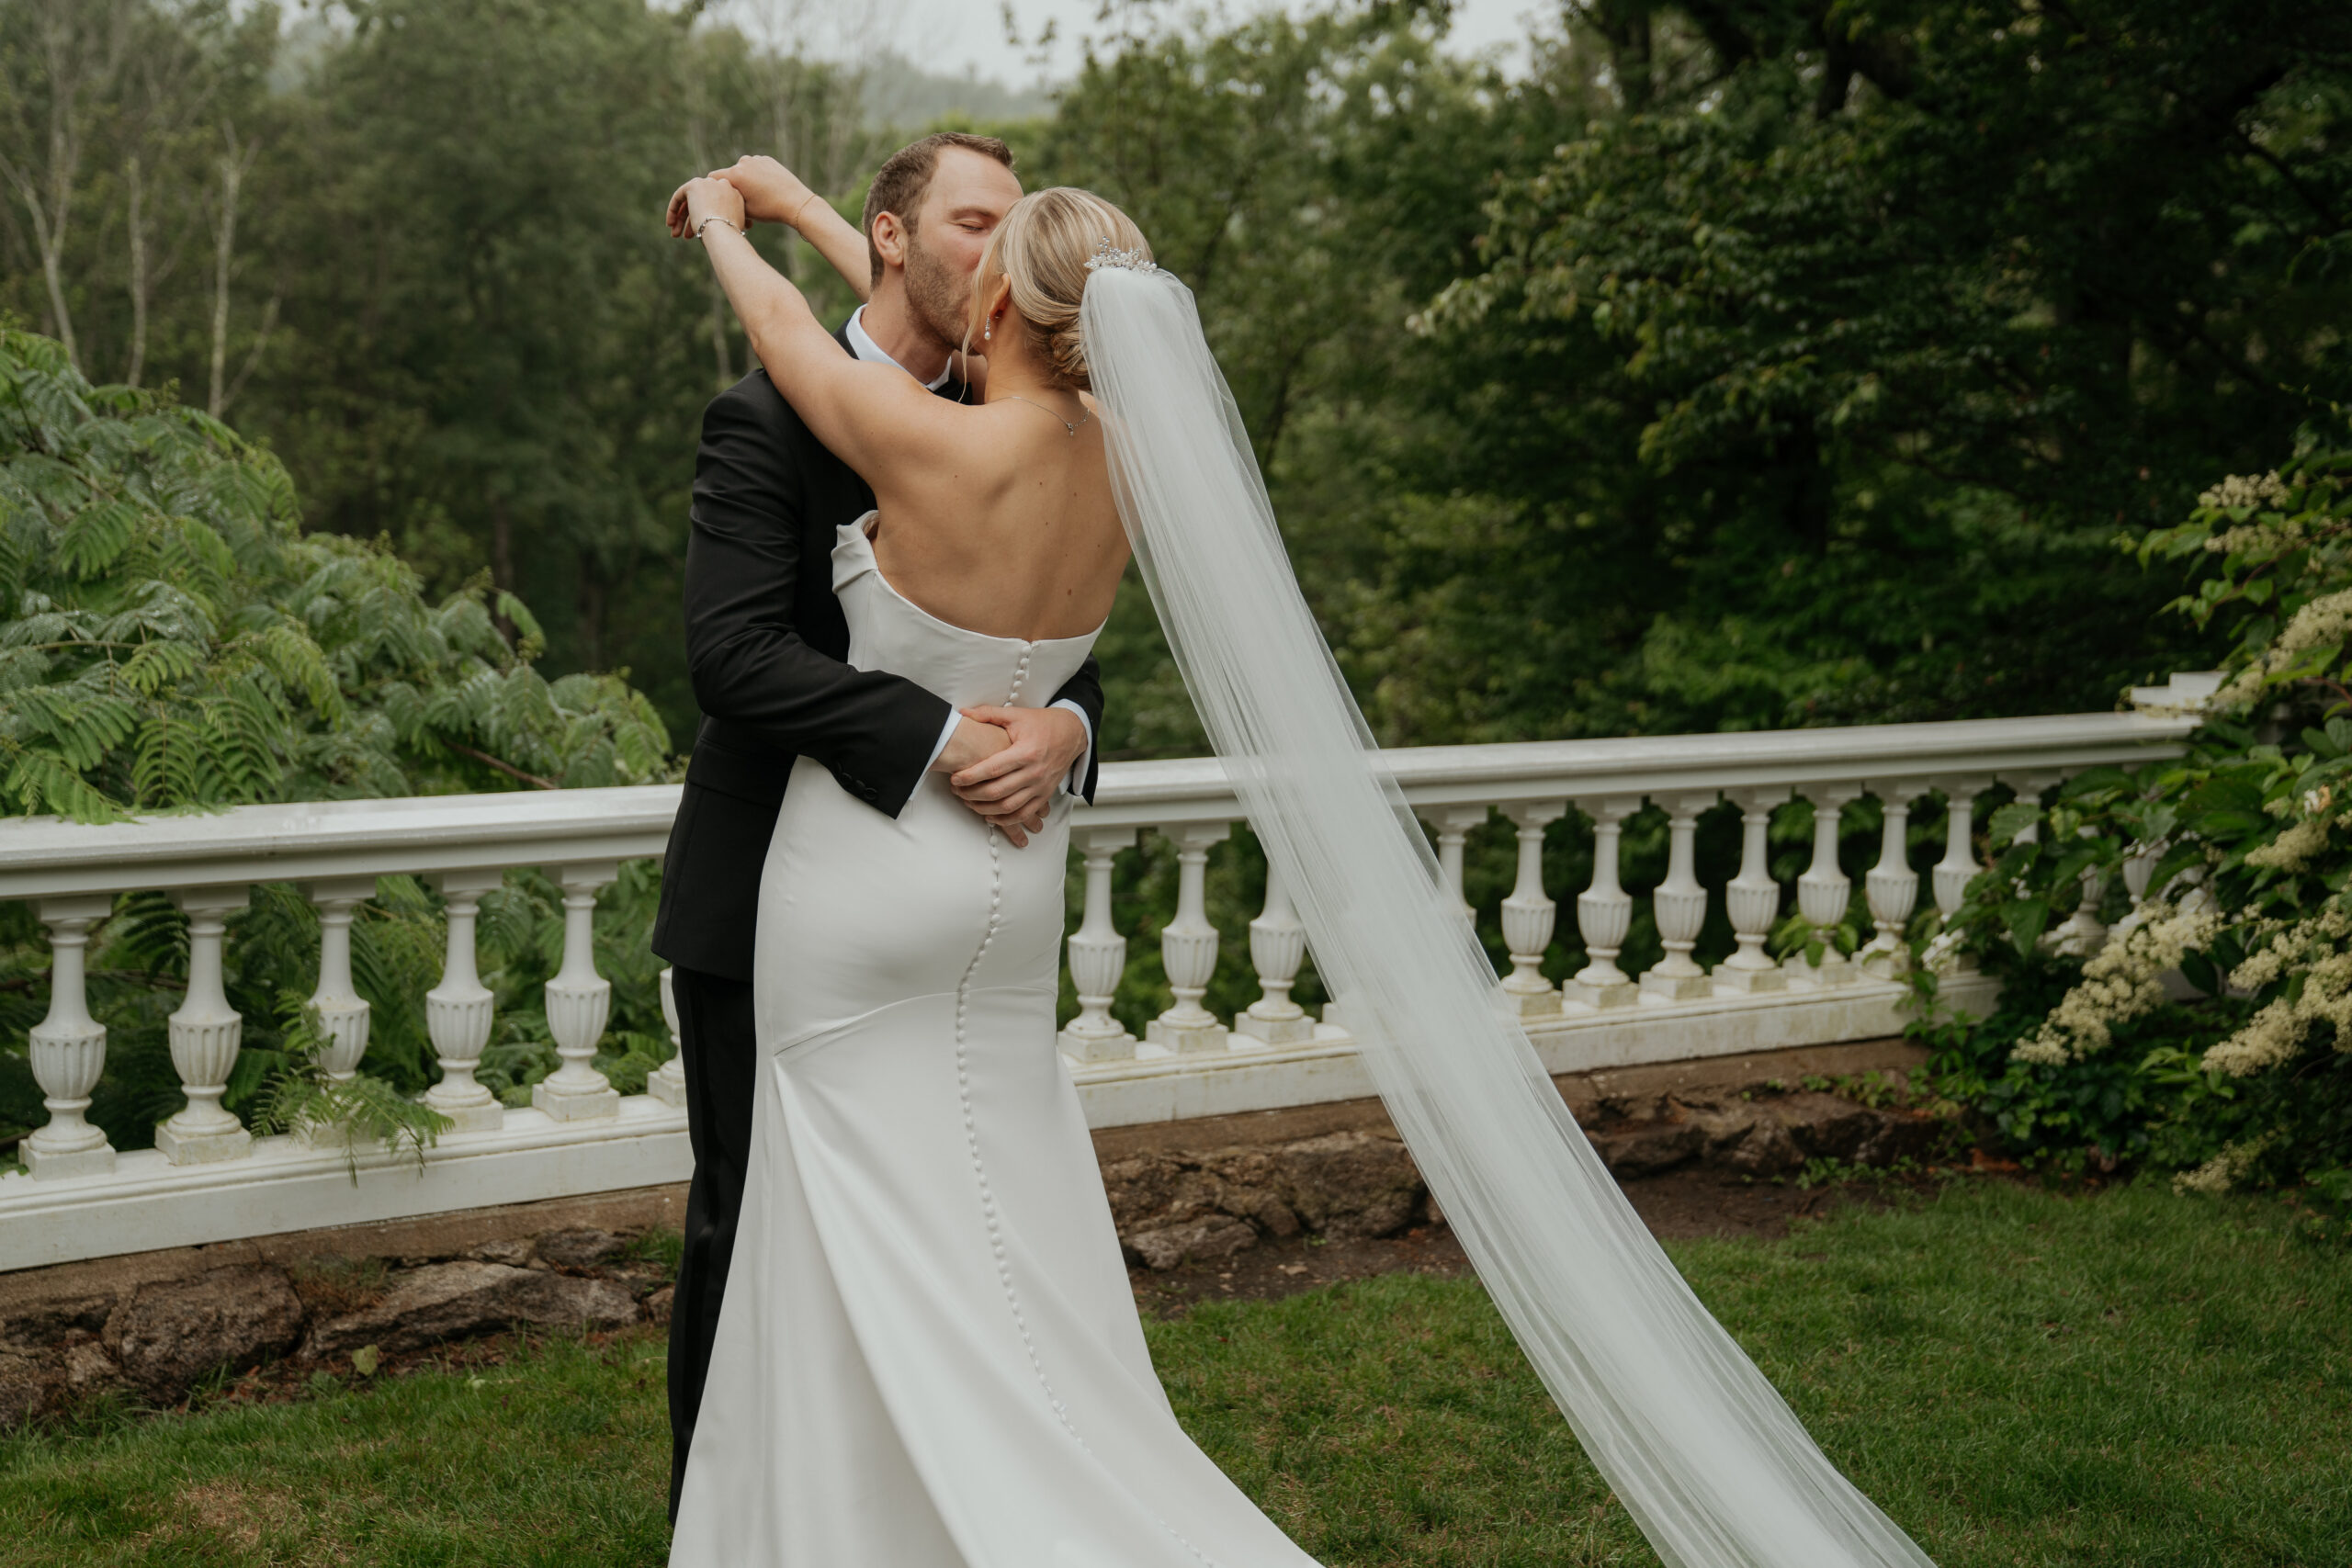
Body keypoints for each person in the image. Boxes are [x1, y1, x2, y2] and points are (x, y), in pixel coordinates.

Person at [664, 152, 1943, 1567]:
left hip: (866, 884)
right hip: (1012, 894)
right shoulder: (1126, 453)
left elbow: (795, 341)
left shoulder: (926, 433)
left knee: (838, 1212)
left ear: (1011, 306)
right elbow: (785, 591)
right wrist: (812, 211)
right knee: (986, 1219)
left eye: (994, 245)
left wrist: (731, 226)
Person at [646, 131, 1102, 1522]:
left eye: (1017, 229)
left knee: (954, 1226)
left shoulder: (1001, 413)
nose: (1000, 246)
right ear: (898, 237)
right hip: (763, 895)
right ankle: (721, 1524)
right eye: (976, 219)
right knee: (748, 1230)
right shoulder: (770, 419)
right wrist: (937, 734)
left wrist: (1069, 731)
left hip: (949, 908)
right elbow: (731, 659)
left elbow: (1073, 660)